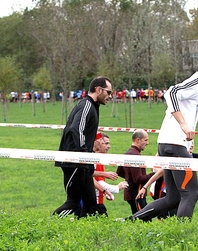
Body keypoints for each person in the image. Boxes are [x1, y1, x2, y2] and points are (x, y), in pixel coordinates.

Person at [130, 52, 198, 222]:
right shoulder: (197, 81)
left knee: (173, 198)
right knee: (190, 194)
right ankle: (182, 235)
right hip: (174, 145)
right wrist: (183, 125)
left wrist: (189, 140)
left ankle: (132, 220)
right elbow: (170, 93)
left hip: (168, 144)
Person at [53, 76, 113, 218]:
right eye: (108, 92)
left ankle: (88, 236)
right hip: (74, 161)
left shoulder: (93, 106)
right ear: (98, 90)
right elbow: (76, 129)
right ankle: (48, 225)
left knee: (91, 205)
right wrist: (84, 156)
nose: (110, 96)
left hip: (83, 161)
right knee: (73, 203)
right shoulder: (87, 104)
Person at [116, 129, 155, 215]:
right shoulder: (135, 155)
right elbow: (137, 179)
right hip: (136, 194)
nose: (147, 143)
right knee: (144, 219)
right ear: (137, 140)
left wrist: (128, 177)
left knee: (138, 218)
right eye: (145, 140)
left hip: (131, 193)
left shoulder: (128, 153)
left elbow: (119, 171)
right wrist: (155, 175)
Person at [93, 133, 128, 216]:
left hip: (96, 200)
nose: (109, 146)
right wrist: (117, 188)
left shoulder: (99, 159)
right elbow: (97, 182)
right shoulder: (95, 160)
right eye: (106, 143)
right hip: (95, 201)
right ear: (97, 143)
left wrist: (105, 192)